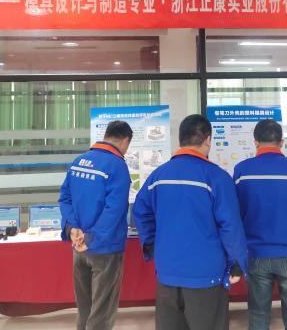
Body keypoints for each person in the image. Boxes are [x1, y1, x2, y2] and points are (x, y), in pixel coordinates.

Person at [133, 114, 247, 330]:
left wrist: (152, 244)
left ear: (180, 139)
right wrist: (237, 263)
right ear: (208, 139)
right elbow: (230, 225)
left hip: (167, 272)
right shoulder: (217, 177)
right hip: (206, 275)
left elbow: (140, 212)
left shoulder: (158, 175)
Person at [233, 119, 287, 330]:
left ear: (255, 142)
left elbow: (234, 211)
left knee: (258, 316)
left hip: (255, 254)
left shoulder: (242, 171)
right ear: (281, 142)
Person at [58, 120, 133, 330]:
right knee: (101, 312)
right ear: (125, 141)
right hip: (104, 249)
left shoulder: (79, 161)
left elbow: (65, 198)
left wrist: (72, 229)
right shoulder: (117, 166)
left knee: (85, 308)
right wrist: (91, 238)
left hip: (78, 246)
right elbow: (114, 210)